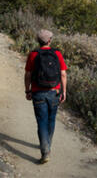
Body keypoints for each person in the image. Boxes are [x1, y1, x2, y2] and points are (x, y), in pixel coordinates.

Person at [24, 29, 67, 164]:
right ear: (49, 40)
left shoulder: (33, 54)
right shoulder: (57, 53)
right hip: (54, 91)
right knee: (51, 119)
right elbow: (63, 74)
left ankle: (45, 151)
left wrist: (27, 90)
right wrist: (64, 91)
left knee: (41, 121)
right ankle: (47, 143)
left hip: (38, 93)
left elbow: (28, 74)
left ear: (38, 40)